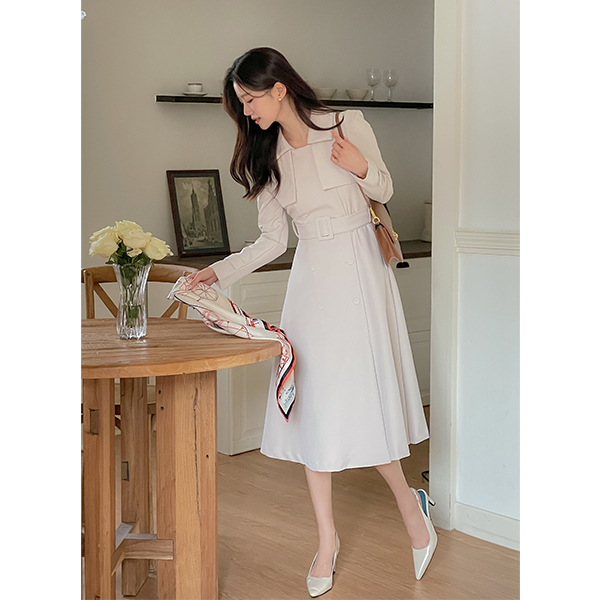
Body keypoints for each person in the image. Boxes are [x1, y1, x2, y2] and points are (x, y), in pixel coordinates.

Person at [184, 47, 437, 596]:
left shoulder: (347, 125)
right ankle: (327, 540)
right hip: (311, 283)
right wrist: (217, 273)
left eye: (249, 99)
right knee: (311, 407)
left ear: (278, 88)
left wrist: (361, 167)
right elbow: (271, 240)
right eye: (240, 103)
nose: (246, 111)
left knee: (368, 400)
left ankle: (412, 510)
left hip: (361, 275)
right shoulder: (269, 158)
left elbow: (385, 189)